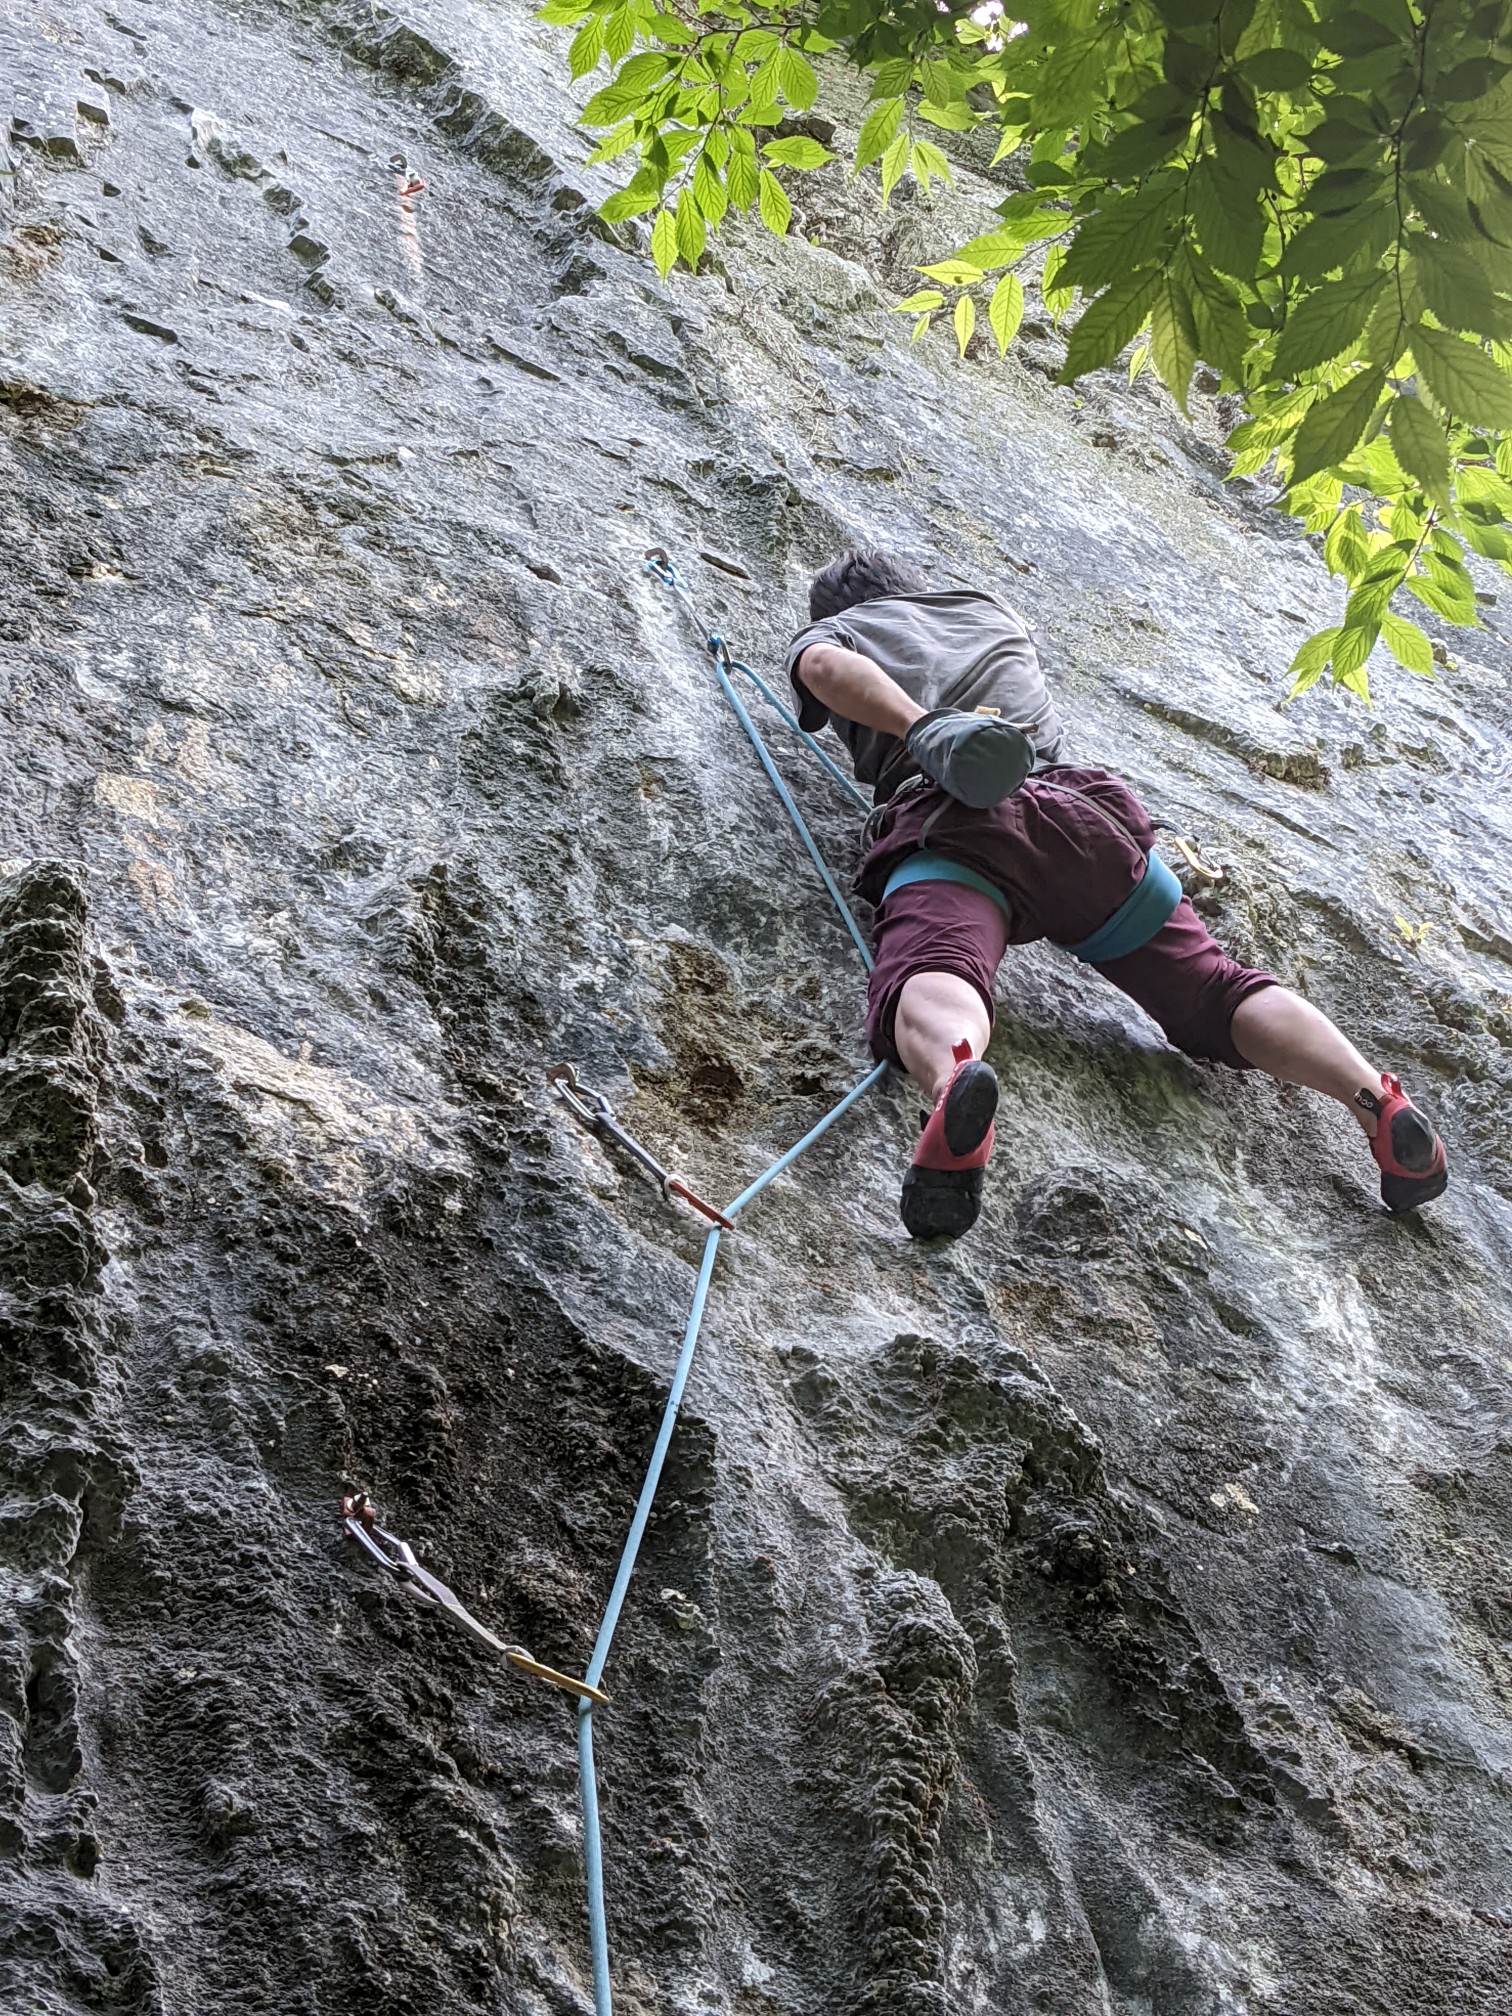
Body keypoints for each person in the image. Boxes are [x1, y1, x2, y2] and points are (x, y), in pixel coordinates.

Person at [784, 549, 1449, 1241]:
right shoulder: (986, 610)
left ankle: (955, 1078)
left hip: (955, 824)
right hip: (1086, 817)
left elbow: (827, 671)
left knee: (938, 962)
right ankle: (1378, 1102)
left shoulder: (843, 630)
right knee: (1215, 988)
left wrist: (922, 727)